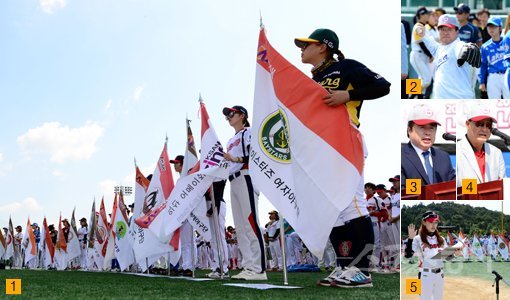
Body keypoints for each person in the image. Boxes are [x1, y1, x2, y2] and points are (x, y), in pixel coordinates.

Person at [295, 27, 390, 288]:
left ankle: (361, 271)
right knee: (334, 210)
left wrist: (347, 95)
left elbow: (383, 86)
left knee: (352, 204)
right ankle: (343, 267)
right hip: (320, 147)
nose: (302, 49)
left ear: (323, 46)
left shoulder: (346, 67)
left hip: (345, 140)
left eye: (306, 44)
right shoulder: (311, 79)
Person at [223, 105, 267, 280]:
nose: (229, 117)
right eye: (228, 115)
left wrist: (236, 159)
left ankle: (259, 269)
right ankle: (248, 266)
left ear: (242, 115)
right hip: (233, 180)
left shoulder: (248, 132)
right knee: (240, 228)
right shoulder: (230, 140)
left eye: (231, 114)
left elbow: (256, 155)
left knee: (250, 223)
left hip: (246, 175)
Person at [415, 14, 481, 99]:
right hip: (418, 55)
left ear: (457, 31)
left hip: (458, 101)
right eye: (442, 29)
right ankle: (409, 94)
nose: (445, 32)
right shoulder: (439, 46)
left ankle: (409, 93)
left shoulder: (457, 45)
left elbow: (462, 48)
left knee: (425, 80)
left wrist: (467, 50)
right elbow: (430, 44)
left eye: (449, 29)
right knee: (423, 80)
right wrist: (423, 36)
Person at [405, 211, 461, 300]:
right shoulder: (417, 238)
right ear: (424, 222)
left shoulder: (441, 239)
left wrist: (455, 254)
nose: (433, 225)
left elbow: (446, 257)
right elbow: (408, 255)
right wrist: (410, 239)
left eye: (436, 222)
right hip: (425, 275)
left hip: (440, 275)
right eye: (431, 222)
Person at [401, 104, 456, 189]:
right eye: (422, 127)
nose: (428, 133)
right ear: (409, 130)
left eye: (431, 128)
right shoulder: (401, 156)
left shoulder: (443, 156)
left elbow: (453, 187)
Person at [457, 102, 505, 187]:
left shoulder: (496, 153)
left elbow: (503, 186)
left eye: (488, 125)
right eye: (480, 124)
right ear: (468, 124)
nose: (485, 129)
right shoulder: (458, 150)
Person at [169, 154, 195, 277]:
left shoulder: (188, 176)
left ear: (182, 164)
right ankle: (186, 265)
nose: (175, 166)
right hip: (181, 213)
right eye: (174, 163)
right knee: (184, 241)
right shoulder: (180, 179)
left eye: (177, 163)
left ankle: (190, 266)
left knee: (189, 240)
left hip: (189, 211)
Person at [479, 17, 510, 99]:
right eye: (489, 27)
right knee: (493, 102)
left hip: (506, 74)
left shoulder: (507, 41)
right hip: (493, 76)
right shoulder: (485, 46)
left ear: (500, 28)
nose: (491, 29)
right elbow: (483, 65)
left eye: (494, 27)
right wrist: (482, 82)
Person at [410, 7, 434, 98]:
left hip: (422, 55)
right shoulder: (418, 26)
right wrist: (430, 55)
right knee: (426, 80)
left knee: (422, 79)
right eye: (426, 14)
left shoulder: (424, 27)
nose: (428, 16)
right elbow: (421, 43)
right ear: (421, 15)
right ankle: (409, 94)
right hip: (418, 54)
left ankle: (416, 100)